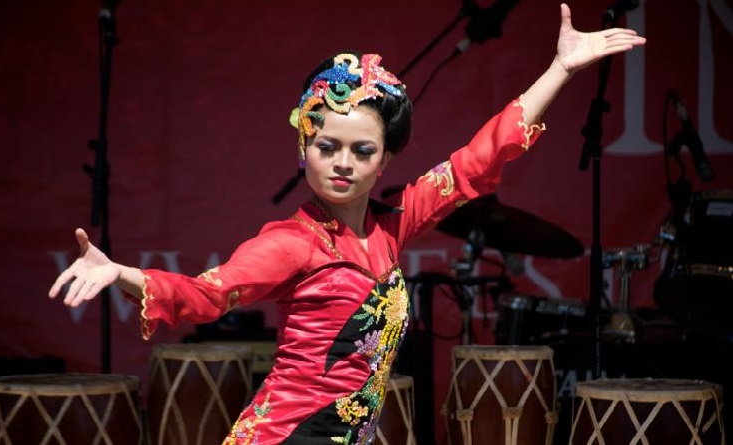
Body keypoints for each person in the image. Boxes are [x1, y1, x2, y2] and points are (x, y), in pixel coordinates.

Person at [48, 4, 645, 444]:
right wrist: (120, 272)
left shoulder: (393, 225)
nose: (342, 162)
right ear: (303, 147)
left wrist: (561, 70)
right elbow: (205, 295)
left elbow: (478, 159)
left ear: (384, 160)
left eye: (362, 152)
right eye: (327, 145)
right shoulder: (291, 243)